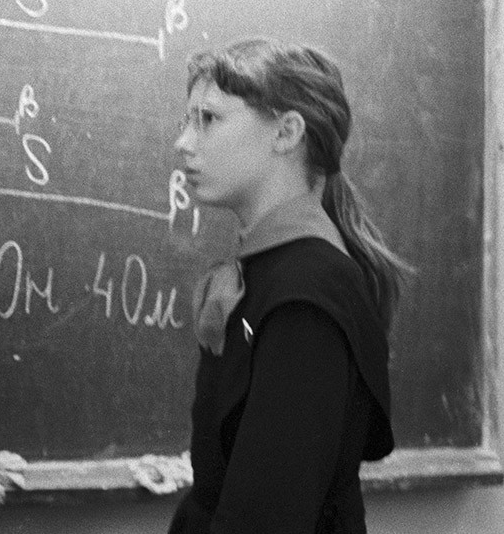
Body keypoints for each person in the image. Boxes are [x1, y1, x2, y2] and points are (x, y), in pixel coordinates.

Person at [168, 38, 408, 534]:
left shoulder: (308, 294)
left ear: (287, 132)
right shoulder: (270, 269)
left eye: (208, 120)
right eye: (188, 121)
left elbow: (266, 516)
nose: (184, 142)